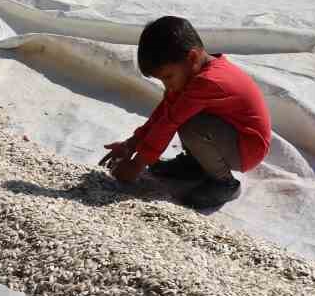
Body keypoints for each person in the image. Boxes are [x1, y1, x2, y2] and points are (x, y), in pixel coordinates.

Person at [99, 16, 271, 209]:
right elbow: (163, 114)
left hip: (248, 148)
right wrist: (131, 144)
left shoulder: (207, 82)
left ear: (192, 58)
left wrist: (137, 165)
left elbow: (168, 123)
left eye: (168, 77)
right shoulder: (192, 73)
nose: (167, 85)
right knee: (185, 117)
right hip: (230, 136)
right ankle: (196, 165)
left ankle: (224, 183)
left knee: (191, 125)